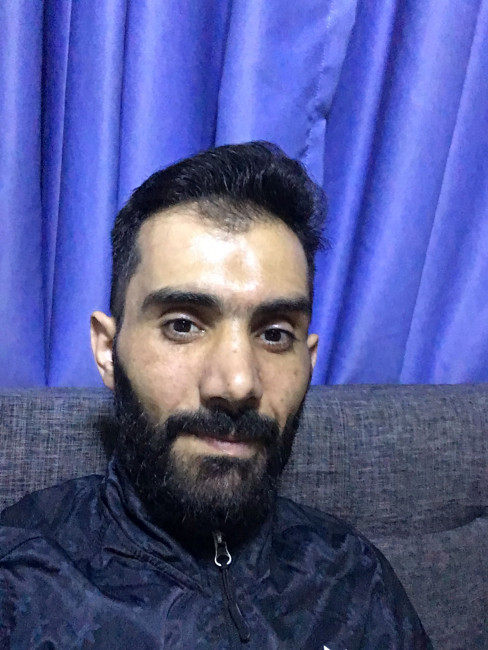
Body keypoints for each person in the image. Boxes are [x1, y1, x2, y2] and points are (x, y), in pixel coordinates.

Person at [0, 142, 432, 649]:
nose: (237, 383)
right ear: (107, 351)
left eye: (275, 334)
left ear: (309, 360)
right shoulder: (21, 577)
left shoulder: (355, 578)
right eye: (183, 325)